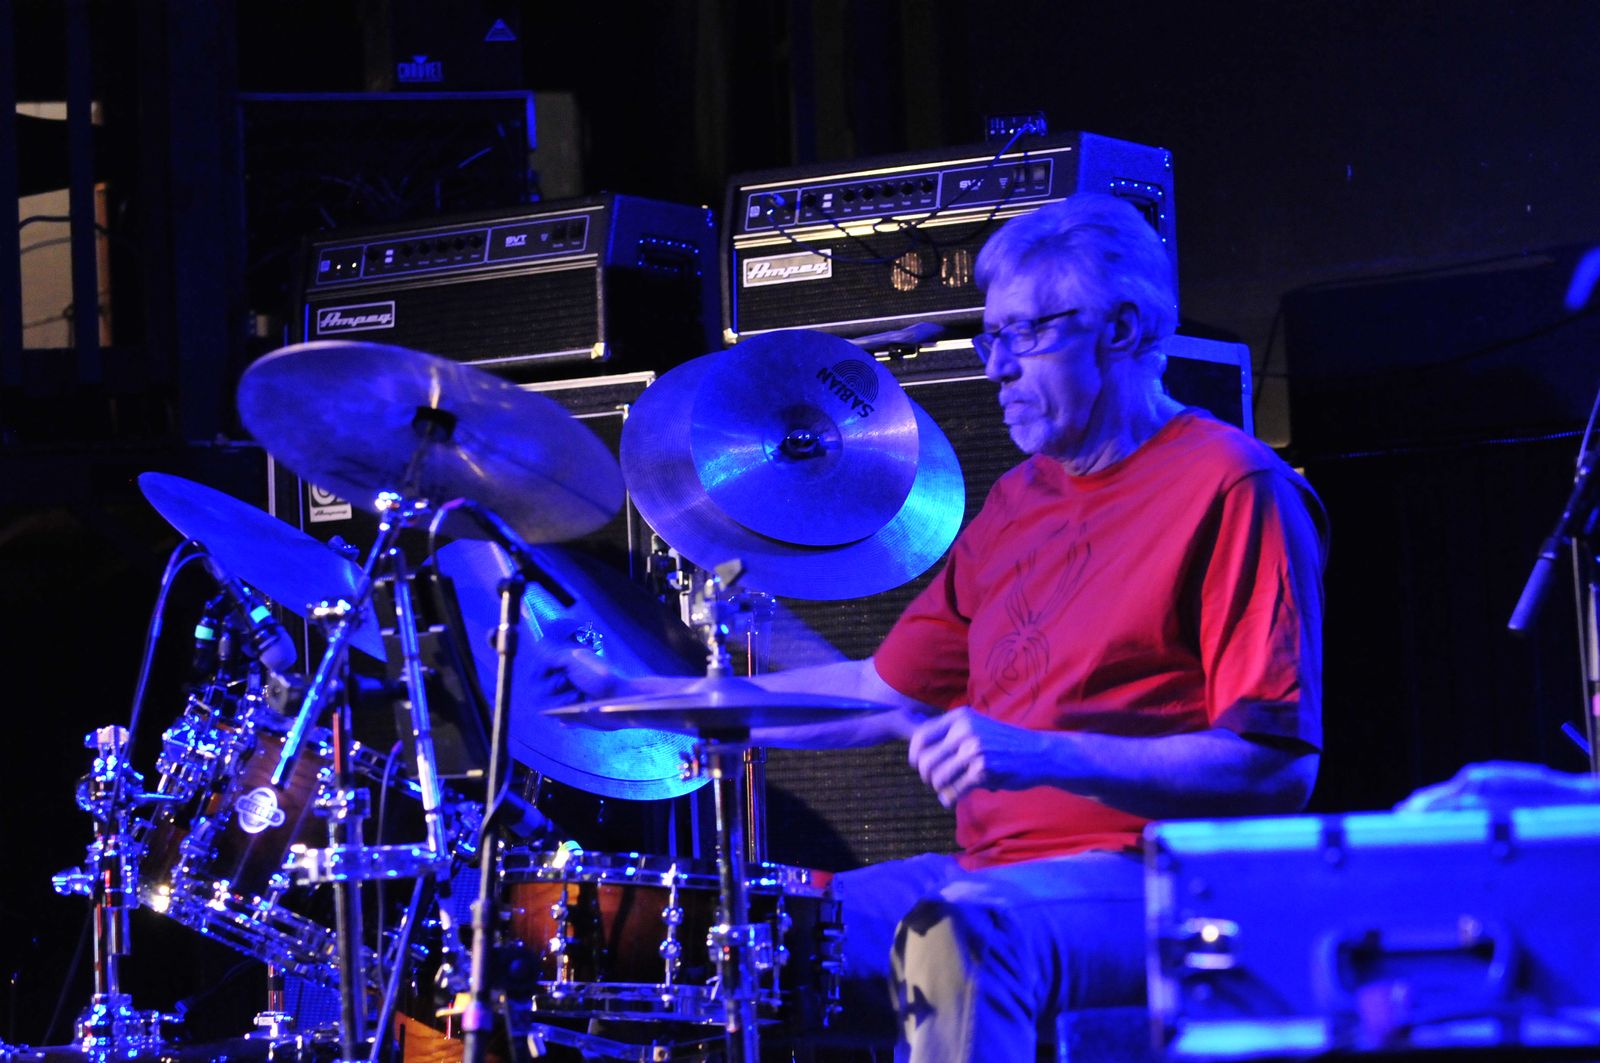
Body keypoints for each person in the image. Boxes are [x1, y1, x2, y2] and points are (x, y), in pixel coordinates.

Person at [548, 192, 1327, 1061]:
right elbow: (877, 693)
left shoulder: (1234, 486)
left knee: (959, 933)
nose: (998, 369)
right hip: (989, 874)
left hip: (1160, 879)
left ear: (1122, 330)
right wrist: (642, 697)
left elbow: (1274, 770)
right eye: (991, 338)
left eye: (1027, 334)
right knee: (745, 936)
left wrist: (1040, 752)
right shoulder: (1021, 499)